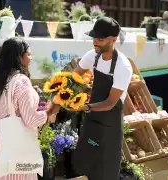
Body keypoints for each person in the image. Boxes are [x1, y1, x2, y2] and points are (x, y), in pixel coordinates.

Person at [71, 17, 133, 180]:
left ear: (113, 40)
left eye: (100, 38)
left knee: (106, 172)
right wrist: (63, 97)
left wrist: (85, 107)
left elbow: (110, 103)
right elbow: (73, 77)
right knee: (85, 166)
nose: (95, 42)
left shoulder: (123, 66)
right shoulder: (92, 56)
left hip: (110, 126)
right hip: (92, 123)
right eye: (94, 37)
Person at [0, 38, 55, 180]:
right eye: (28, 54)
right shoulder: (21, 80)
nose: (31, 58)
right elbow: (30, 119)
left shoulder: (1, 79)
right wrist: (49, 112)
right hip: (15, 137)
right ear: (19, 56)